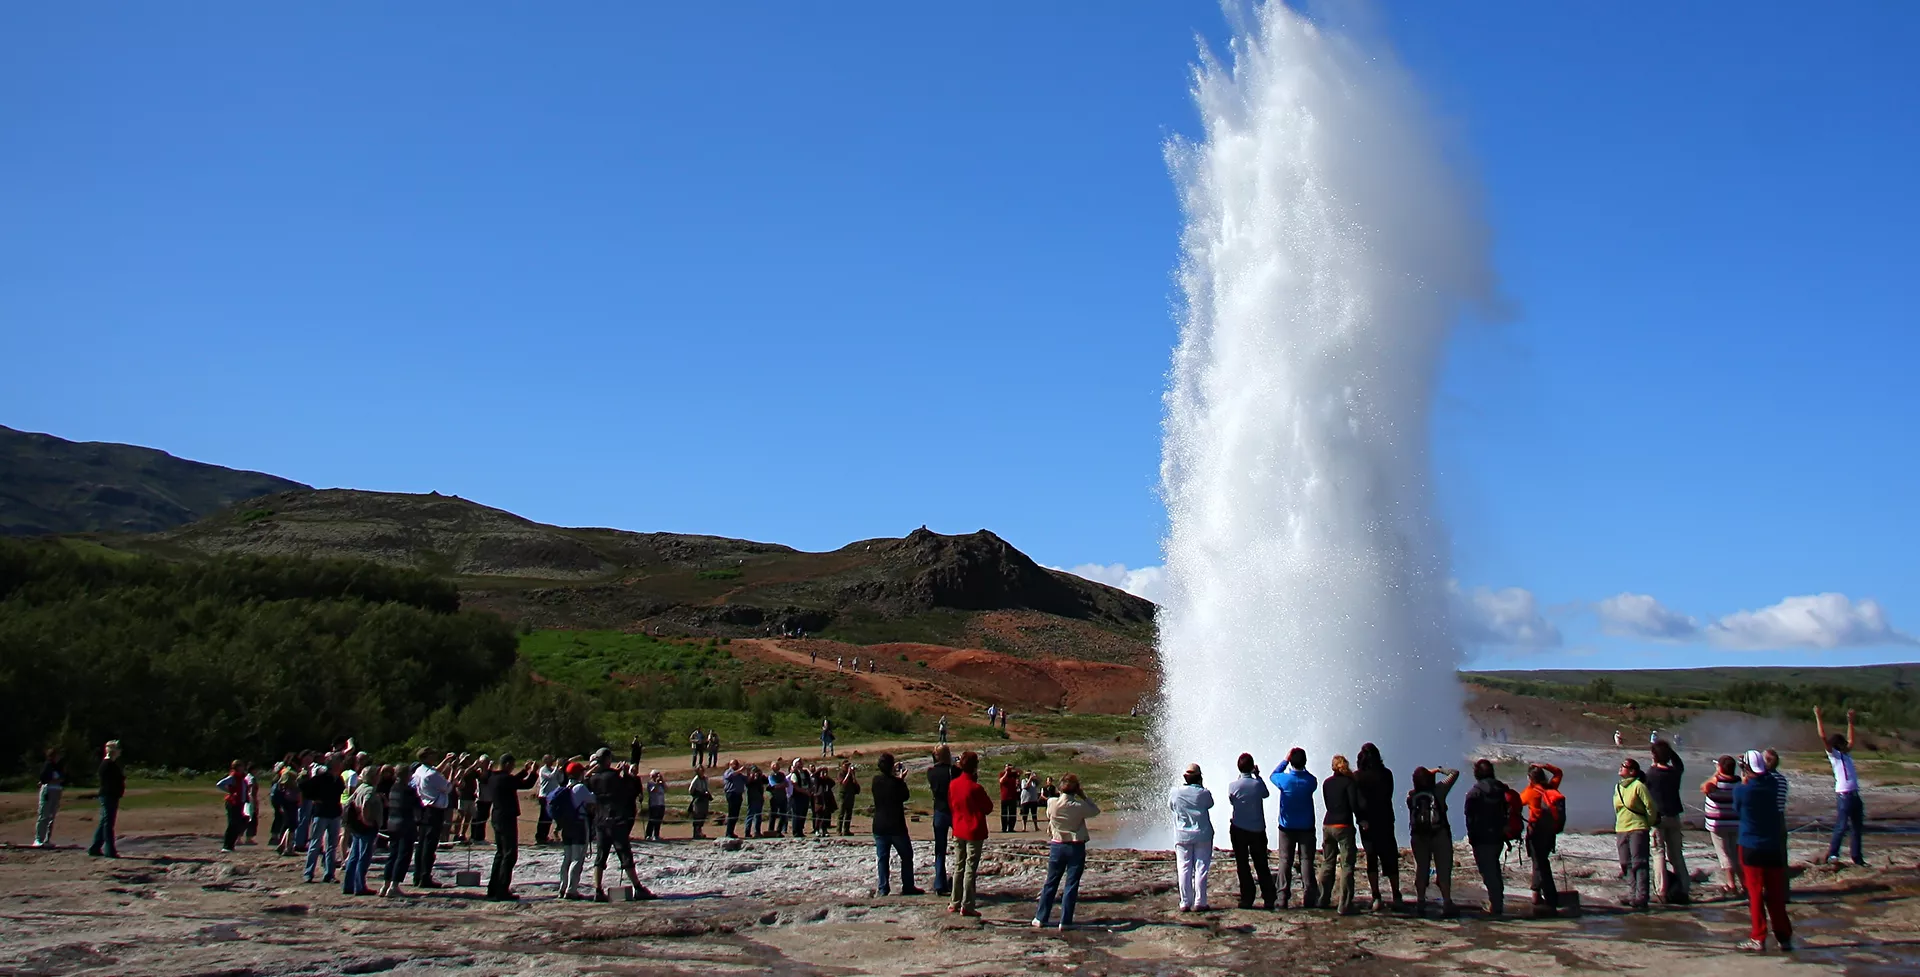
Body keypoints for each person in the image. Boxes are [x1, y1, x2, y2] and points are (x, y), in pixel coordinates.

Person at [1733, 750, 1793, 951]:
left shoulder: (1742, 791)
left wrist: (1743, 776)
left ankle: (1758, 937)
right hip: (1773, 845)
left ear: (1746, 768)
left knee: (1756, 893)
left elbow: (1737, 809)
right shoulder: (1773, 784)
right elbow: (1766, 775)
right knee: (1775, 894)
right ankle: (1784, 936)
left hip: (1751, 845)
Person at [1034, 772, 1099, 930]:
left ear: (1060, 788)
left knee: (1050, 882)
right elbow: (1095, 811)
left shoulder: (1051, 802)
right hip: (1075, 846)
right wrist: (1083, 795)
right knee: (1071, 884)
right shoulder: (1079, 806)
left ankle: (1040, 918)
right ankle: (1065, 921)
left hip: (1057, 845)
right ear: (1076, 789)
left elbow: (1049, 815)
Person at [586, 750, 651, 901]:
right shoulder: (615, 777)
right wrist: (626, 773)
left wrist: (592, 770)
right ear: (608, 759)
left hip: (600, 820)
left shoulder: (594, 779)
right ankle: (638, 887)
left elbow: (585, 781)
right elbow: (631, 790)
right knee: (625, 854)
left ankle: (597, 889)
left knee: (601, 855)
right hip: (617, 820)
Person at [1353, 743, 1402, 912]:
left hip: (1368, 823)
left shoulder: (1357, 777)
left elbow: (1355, 802)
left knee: (1371, 859)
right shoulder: (1386, 774)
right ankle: (1396, 895)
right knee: (1390, 858)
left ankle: (1376, 896)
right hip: (1386, 820)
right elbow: (1389, 795)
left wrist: (1360, 819)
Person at [482, 755, 538, 900]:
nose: (513, 768)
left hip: (497, 816)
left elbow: (513, 780)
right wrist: (533, 772)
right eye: (512, 765)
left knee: (500, 853)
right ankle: (502, 889)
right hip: (507, 817)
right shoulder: (505, 779)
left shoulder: (493, 777)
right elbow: (525, 785)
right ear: (507, 764)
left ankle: (493, 888)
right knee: (509, 854)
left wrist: (525, 771)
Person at [1269, 748, 1319, 909]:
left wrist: (1285, 760)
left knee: (1285, 860)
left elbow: (1273, 775)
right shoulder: (1310, 781)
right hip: (1306, 827)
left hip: (1286, 826)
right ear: (1304, 762)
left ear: (1291, 762)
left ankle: (1282, 897)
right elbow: (1311, 779)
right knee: (1306, 861)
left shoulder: (1284, 780)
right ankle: (1309, 896)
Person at [1226, 752, 1276, 910]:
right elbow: (1266, 794)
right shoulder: (1257, 784)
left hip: (1239, 828)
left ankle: (1247, 898)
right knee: (1261, 864)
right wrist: (1258, 776)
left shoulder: (1233, 785)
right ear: (1252, 767)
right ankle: (1269, 898)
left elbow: (1231, 800)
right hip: (1257, 830)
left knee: (1242, 864)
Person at [946, 750, 994, 916]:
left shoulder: (953, 784)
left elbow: (951, 806)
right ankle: (967, 905)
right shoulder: (975, 788)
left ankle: (954, 901)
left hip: (958, 828)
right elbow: (988, 807)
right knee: (970, 869)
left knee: (958, 866)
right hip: (974, 831)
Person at [1407, 765, 1459, 917]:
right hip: (1440, 833)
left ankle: (1421, 902)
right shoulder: (1439, 790)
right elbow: (1455, 773)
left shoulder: (1410, 796)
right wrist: (1438, 770)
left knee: (1421, 869)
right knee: (1443, 868)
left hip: (1418, 837)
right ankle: (1447, 902)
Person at [1463, 758, 1513, 916]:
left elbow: (1469, 817)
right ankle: (1497, 900)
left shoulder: (1474, 792)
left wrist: (1471, 837)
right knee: (1494, 868)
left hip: (1481, 837)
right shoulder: (1501, 789)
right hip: (1498, 836)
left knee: (1488, 870)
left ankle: (1496, 906)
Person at [1816, 707, 1865, 867]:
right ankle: (1833, 855)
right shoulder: (1834, 756)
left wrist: (1850, 722)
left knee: (1857, 828)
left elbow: (1851, 741)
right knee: (1842, 826)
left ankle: (1857, 858)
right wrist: (1818, 717)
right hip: (1844, 795)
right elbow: (1822, 736)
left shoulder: (1846, 754)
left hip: (1854, 794)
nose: (1846, 745)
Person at [870, 753, 921, 896]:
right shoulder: (896, 783)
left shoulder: (876, 781)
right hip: (896, 826)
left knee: (882, 858)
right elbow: (905, 796)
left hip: (879, 825)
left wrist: (895, 776)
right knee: (906, 855)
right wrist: (901, 780)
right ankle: (908, 886)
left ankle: (883, 888)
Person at [1316, 755, 1362, 914]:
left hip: (1328, 824)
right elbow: (1353, 804)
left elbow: (1327, 803)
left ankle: (1322, 898)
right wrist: (1362, 820)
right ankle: (1345, 904)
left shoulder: (1327, 783)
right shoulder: (1349, 782)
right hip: (1344, 825)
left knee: (1328, 862)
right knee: (1347, 864)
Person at [1519, 762, 1566, 916]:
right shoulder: (1551, 788)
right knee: (1540, 861)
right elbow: (1559, 772)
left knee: (1540, 863)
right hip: (1550, 832)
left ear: (1529, 779)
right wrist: (1545, 765)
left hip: (1536, 831)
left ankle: (1547, 896)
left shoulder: (1531, 792)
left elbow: (1517, 803)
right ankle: (1537, 894)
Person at [1647, 739, 1690, 904]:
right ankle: (1684, 889)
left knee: (1658, 854)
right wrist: (1669, 752)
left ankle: (1661, 891)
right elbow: (1680, 764)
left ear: (1654, 756)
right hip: (1674, 816)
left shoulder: (1651, 774)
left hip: (1657, 819)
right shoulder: (1675, 772)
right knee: (1677, 855)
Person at [1613, 757, 1656, 911]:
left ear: (1632, 771)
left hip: (1638, 828)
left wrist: (1648, 824)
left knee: (1639, 862)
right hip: (1621, 828)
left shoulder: (1639, 786)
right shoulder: (1618, 787)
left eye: (1623, 766)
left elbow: (1650, 807)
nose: (1620, 767)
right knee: (1626, 863)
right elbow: (1617, 809)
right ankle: (1632, 894)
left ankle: (1641, 897)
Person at [1171, 762, 1215, 912]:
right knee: (1201, 868)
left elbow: (1172, 806)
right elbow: (1210, 804)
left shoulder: (1175, 792)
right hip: (1202, 834)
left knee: (1184, 868)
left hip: (1182, 835)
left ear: (1185, 777)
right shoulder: (1204, 793)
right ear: (1199, 777)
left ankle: (1184, 902)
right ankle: (1200, 902)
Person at [1702, 755, 1746, 899]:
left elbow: (1704, 787)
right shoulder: (1738, 782)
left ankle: (1731, 884)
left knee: (1724, 855)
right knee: (1735, 854)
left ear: (1720, 767)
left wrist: (1716, 774)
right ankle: (1745, 884)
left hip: (1718, 824)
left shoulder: (1717, 782)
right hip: (1735, 823)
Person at [548, 763, 593, 899]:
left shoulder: (564, 787)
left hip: (566, 826)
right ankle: (571, 890)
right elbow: (593, 799)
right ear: (580, 773)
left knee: (567, 858)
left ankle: (563, 887)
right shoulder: (580, 787)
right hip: (579, 825)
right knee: (577, 858)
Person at [342, 764, 386, 896]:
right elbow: (366, 804)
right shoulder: (370, 790)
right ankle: (360, 886)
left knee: (354, 856)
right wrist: (366, 819)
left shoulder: (360, 787)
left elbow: (347, 803)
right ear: (373, 777)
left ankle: (348, 885)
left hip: (356, 827)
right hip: (366, 827)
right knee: (364, 857)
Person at [411, 751, 453, 888]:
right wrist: (453, 771)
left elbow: (434, 771)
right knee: (429, 846)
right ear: (425, 757)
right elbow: (447, 787)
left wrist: (446, 761)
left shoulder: (419, 771)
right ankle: (425, 877)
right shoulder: (432, 775)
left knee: (422, 844)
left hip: (424, 809)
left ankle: (417, 875)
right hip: (434, 811)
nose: (434, 757)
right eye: (431, 755)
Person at [300, 754, 345, 882]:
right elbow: (304, 786)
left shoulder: (339, 779)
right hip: (321, 814)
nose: (341, 765)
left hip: (335, 813)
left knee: (332, 846)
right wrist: (314, 798)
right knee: (315, 843)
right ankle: (308, 873)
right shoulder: (321, 778)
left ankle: (329, 874)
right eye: (338, 762)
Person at [380, 755, 420, 897]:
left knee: (393, 854)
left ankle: (385, 885)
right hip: (405, 824)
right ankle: (394, 885)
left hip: (392, 823)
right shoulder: (408, 790)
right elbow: (417, 805)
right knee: (403, 855)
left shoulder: (393, 788)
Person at [88, 740, 125, 859]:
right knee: (108, 823)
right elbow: (110, 781)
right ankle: (109, 850)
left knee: (105, 821)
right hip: (108, 795)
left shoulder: (111, 764)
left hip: (111, 795)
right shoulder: (107, 765)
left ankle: (95, 847)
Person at [928, 746, 957, 896]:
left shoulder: (931, 772)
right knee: (961, 847)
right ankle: (958, 881)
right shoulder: (953, 771)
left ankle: (939, 883)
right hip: (953, 811)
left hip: (939, 810)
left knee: (939, 849)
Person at [34, 748, 65, 848]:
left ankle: (47, 839)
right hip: (48, 790)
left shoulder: (59, 766)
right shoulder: (48, 765)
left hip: (57, 790)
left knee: (52, 816)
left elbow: (64, 777)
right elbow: (43, 778)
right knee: (44, 814)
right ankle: (38, 839)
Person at [217, 761, 250, 852]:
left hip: (242, 802)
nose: (243, 768)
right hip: (233, 802)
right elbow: (220, 784)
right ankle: (227, 846)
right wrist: (230, 791)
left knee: (240, 823)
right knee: (232, 824)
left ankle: (232, 845)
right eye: (241, 766)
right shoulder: (233, 777)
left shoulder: (243, 777)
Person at [534, 756, 560, 845]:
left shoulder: (553, 769)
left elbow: (558, 779)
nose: (552, 760)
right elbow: (551, 776)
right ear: (545, 761)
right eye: (550, 759)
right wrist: (557, 767)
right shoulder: (543, 770)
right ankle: (540, 836)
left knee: (549, 817)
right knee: (543, 817)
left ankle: (545, 836)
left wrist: (560, 770)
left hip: (552, 796)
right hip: (544, 796)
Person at [722, 760, 748, 839]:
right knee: (732, 813)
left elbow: (747, 779)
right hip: (731, 794)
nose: (737, 765)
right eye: (735, 764)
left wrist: (749, 772)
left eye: (737, 764)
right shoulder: (728, 772)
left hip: (738, 794)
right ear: (731, 765)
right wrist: (740, 770)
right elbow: (730, 776)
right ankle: (728, 832)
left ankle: (731, 831)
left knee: (736, 814)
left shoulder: (739, 774)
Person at [766, 760, 790, 837]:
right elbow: (774, 785)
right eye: (775, 765)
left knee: (783, 814)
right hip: (775, 797)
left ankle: (779, 831)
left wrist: (781, 785)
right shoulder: (771, 775)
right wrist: (781, 784)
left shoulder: (782, 775)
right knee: (773, 814)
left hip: (783, 796)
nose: (777, 766)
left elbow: (787, 784)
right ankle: (771, 830)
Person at [688, 768, 713, 839]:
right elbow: (691, 790)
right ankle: (696, 833)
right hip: (698, 800)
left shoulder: (705, 779)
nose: (702, 772)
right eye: (700, 771)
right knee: (697, 816)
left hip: (705, 799)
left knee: (703, 815)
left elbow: (706, 788)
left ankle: (699, 831)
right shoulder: (696, 779)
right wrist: (698, 794)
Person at [644, 770, 668, 841]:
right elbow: (652, 791)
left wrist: (662, 782)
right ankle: (648, 835)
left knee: (658, 820)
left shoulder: (661, 784)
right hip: (654, 804)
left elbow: (666, 789)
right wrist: (657, 783)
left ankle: (656, 835)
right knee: (652, 820)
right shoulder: (650, 783)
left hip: (661, 804)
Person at [813, 769, 837, 836]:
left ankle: (824, 830)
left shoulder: (828, 781)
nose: (824, 774)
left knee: (826, 816)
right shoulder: (818, 780)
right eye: (823, 773)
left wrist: (827, 777)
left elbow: (833, 783)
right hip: (819, 800)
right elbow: (815, 775)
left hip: (826, 800)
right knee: (818, 816)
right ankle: (817, 830)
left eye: (825, 773)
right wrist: (820, 769)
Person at [838, 762, 860, 836]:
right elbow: (843, 782)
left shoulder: (851, 774)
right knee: (841, 813)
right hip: (843, 795)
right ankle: (839, 830)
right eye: (846, 765)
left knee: (849, 814)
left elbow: (855, 783)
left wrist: (853, 775)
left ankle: (846, 830)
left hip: (850, 795)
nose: (847, 766)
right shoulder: (841, 773)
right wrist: (848, 773)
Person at [745, 764, 766, 838]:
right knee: (750, 815)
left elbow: (766, 781)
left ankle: (757, 832)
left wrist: (760, 775)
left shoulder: (760, 778)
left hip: (759, 798)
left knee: (758, 816)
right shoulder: (749, 779)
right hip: (752, 799)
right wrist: (753, 777)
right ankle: (747, 832)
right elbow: (747, 783)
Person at [999, 764, 1020, 833]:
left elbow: (1021, 772)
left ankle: (1011, 828)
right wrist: (1006, 773)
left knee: (1012, 813)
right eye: (1006, 767)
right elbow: (1001, 781)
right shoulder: (1002, 774)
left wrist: (1014, 768)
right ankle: (1004, 828)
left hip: (1013, 797)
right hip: (1004, 797)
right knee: (1004, 813)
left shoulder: (1013, 774)